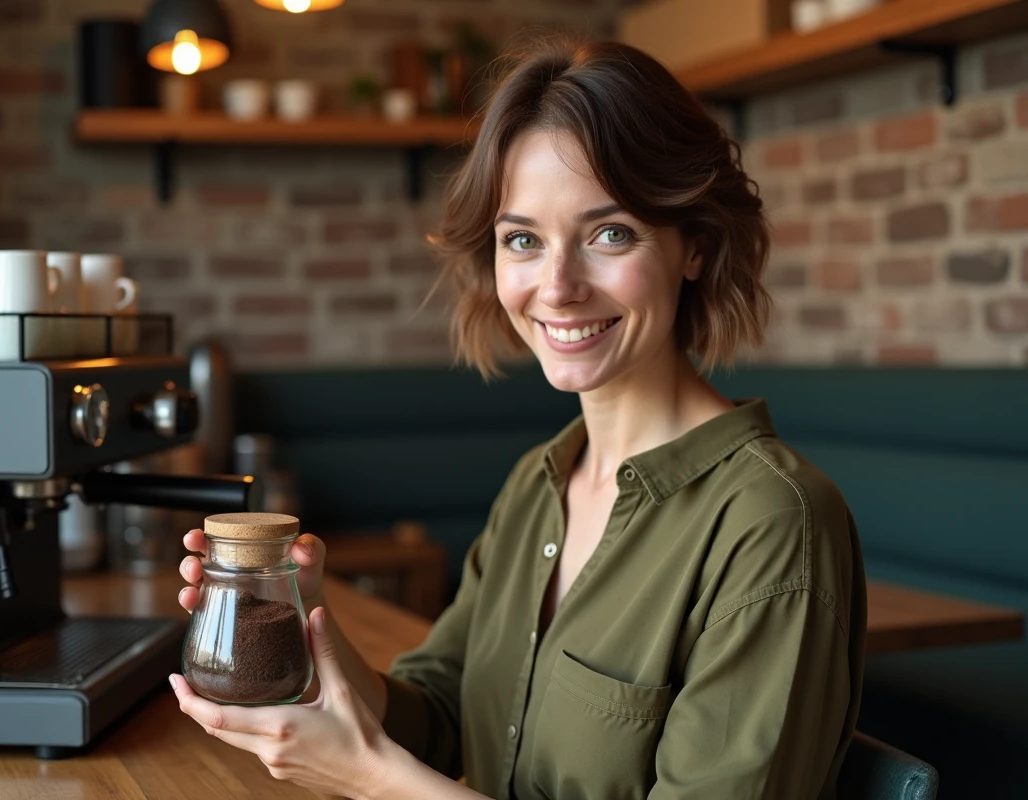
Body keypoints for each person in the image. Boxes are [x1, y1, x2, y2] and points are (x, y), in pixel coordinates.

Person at [169, 36, 866, 800]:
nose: (558, 286)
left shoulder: (775, 526)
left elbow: (396, 767)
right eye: (523, 240)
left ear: (693, 245)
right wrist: (312, 634)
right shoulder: (538, 486)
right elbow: (438, 718)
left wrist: (371, 780)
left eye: (611, 233)